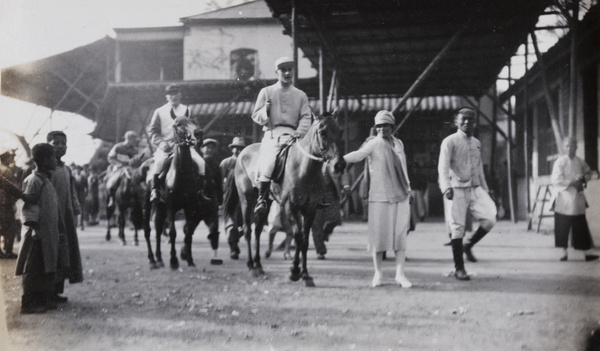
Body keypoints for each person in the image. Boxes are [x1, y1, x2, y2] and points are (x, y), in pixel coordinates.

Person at [343, 110, 413, 288]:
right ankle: (378, 274)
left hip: (401, 194)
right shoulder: (374, 144)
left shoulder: (399, 144)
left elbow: (403, 168)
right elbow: (358, 155)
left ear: (392, 126)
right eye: (379, 126)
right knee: (378, 237)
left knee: (400, 237)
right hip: (379, 196)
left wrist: (409, 188)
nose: (382, 129)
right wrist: (339, 160)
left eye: (386, 125)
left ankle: (400, 274)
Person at [438, 107, 497, 281]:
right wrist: (446, 187)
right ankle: (459, 268)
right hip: (456, 188)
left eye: (470, 119)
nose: (467, 122)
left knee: (490, 218)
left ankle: (468, 244)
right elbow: (442, 167)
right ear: (456, 121)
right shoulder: (450, 141)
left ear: (475, 122)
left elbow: (479, 169)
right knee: (457, 227)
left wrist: (485, 189)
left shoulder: (477, 142)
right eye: (463, 119)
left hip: (475, 188)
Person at [251, 56, 312, 218]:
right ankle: (261, 199)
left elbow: (306, 117)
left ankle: (314, 197)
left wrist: (299, 132)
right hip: (273, 135)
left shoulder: (300, 95)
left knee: (309, 160)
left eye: (289, 69)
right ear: (277, 72)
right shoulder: (266, 92)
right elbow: (256, 116)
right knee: (269, 162)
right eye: (283, 70)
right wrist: (266, 110)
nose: (287, 73)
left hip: (294, 136)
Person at [15, 143, 60, 314]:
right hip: (36, 233)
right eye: (53, 157)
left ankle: (42, 298)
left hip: (47, 233)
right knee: (33, 267)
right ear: (44, 160)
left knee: (44, 266)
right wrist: (33, 227)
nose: (56, 161)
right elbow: (29, 207)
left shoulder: (45, 180)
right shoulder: (34, 181)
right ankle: (28, 303)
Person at [148, 84, 208, 203]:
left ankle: (200, 191)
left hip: (185, 145)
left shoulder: (187, 110)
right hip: (167, 146)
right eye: (170, 94)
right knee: (159, 163)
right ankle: (155, 190)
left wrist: (193, 138)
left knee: (201, 163)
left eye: (175, 93)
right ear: (166, 97)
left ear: (180, 95)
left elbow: (195, 127)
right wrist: (161, 144)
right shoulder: (159, 111)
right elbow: (153, 132)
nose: (173, 96)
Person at [47, 131, 84, 302]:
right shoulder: (44, 169)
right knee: (51, 252)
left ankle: (56, 290)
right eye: (56, 143)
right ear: (49, 145)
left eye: (63, 143)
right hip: (51, 217)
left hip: (66, 216)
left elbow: (72, 192)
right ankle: (47, 292)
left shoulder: (67, 169)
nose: (60, 146)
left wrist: (76, 211)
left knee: (64, 251)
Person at [551, 137, 598, 262]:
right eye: (567, 146)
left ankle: (586, 254)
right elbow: (556, 180)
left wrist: (583, 179)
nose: (569, 148)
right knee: (562, 227)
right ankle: (563, 253)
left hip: (577, 199)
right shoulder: (560, 162)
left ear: (576, 147)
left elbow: (589, 173)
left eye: (572, 146)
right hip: (563, 198)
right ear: (563, 147)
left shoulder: (580, 162)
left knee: (580, 226)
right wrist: (572, 182)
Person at [311, 160, 350, 260]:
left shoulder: (333, 155)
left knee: (335, 218)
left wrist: (346, 185)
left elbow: (343, 171)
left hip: (331, 192)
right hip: (315, 194)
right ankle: (320, 251)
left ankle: (325, 233)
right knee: (316, 223)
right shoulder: (310, 156)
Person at [219, 136, 246, 259]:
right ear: (232, 149)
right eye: (236, 148)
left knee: (243, 224)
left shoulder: (247, 162)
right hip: (229, 197)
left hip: (243, 198)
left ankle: (235, 242)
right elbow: (220, 181)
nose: (238, 151)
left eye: (240, 148)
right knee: (230, 224)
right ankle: (232, 249)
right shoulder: (226, 163)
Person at [200, 138, 224, 265]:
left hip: (210, 202)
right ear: (201, 149)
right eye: (206, 147)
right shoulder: (195, 163)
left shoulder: (216, 167)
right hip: (196, 201)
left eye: (212, 147)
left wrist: (220, 202)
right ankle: (185, 250)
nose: (209, 149)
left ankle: (214, 255)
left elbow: (219, 186)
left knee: (214, 229)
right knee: (189, 228)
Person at [105, 131, 143, 208]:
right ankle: (112, 197)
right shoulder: (118, 147)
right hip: (118, 167)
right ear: (128, 138)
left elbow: (135, 161)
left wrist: (136, 161)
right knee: (111, 179)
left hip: (130, 168)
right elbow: (110, 158)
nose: (135, 141)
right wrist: (118, 164)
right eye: (134, 140)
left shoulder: (134, 150)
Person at [0, 149, 20, 259]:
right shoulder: (7, 171)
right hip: (6, 203)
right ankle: (8, 251)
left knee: (1, 227)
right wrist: (13, 202)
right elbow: (11, 189)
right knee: (10, 228)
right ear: (6, 159)